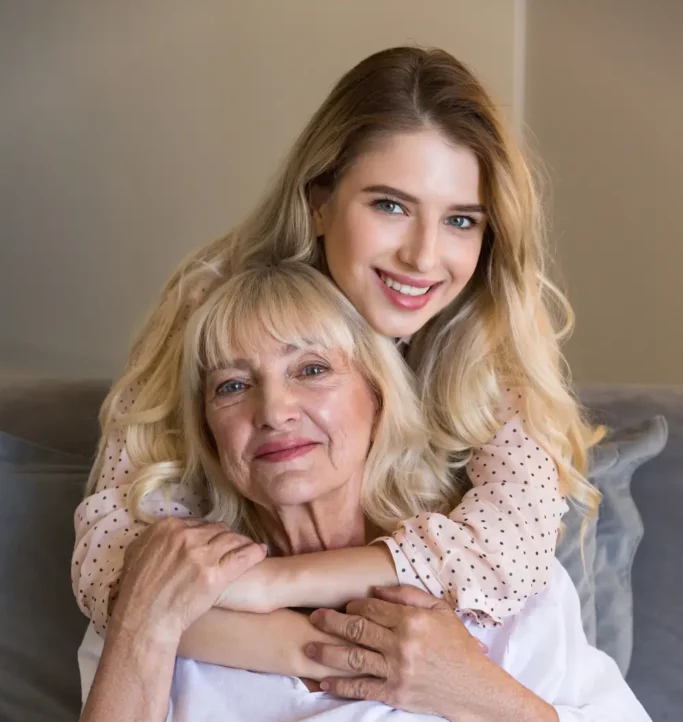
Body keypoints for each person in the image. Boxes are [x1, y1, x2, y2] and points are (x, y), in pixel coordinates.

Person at [45, 263, 680, 722]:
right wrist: (146, 629)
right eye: (231, 386)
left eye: (311, 369)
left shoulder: (484, 578)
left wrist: (463, 686)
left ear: (379, 394)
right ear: (208, 427)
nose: (274, 409)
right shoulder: (165, 598)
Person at [71, 45, 600, 656]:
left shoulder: (487, 342)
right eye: (391, 205)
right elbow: (112, 569)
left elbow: (506, 552)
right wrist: (322, 658)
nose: (423, 258)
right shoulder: (214, 309)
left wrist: (275, 583)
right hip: (262, 681)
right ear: (320, 201)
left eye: (461, 221)